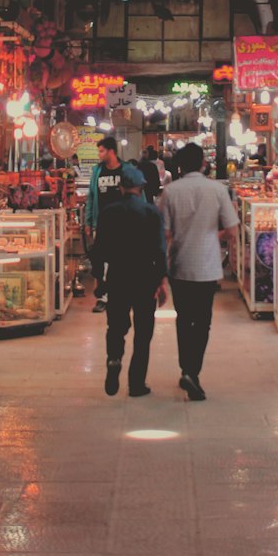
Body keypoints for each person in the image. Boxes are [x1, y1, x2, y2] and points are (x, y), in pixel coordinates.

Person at [161, 141, 238, 401]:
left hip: (180, 264)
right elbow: (233, 231)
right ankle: (193, 372)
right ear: (204, 163)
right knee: (202, 322)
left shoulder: (170, 192)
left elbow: (166, 233)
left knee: (184, 319)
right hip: (207, 266)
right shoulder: (217, 190)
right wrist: (212, 234)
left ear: (180, 165)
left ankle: (186, 369)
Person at [89, 166, 168, 397]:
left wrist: (98, 278)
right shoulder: (152, 213)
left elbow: (99, 250)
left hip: (118, 277)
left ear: (120, 187)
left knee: (116, 326)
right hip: (145, 278)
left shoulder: (108, 213)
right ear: (141, 187)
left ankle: (114, 359)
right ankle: (136, 383)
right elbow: (160, 250)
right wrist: (162, 280)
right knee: (143, 333)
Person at [85, 137, 139, 311]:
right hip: (101, 224)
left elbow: (138, 195)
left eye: (101, 151)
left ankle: (123, 294)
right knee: (100, 261)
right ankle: (102, 297)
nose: (99, 154)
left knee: (125, 261)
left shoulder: (127, 170)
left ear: (111, 151)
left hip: (125, 225)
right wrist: (88, 221)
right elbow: (91, 197)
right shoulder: (97, 171)